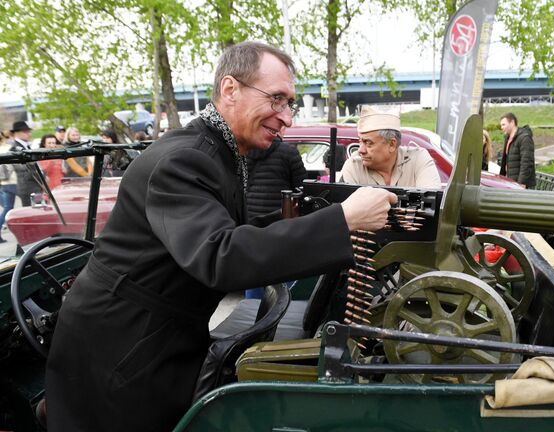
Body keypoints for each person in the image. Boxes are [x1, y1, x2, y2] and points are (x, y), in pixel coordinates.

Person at [45, 41, 396, 432]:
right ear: (230, 90)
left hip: (156, 338)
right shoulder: (185, 158)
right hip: (123, 350)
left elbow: (231, 233)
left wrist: (327, 217)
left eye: (290, 104)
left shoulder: (222, 153)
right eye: (276, 99)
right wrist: (342, 220)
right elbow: (220, 256)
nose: (287, 118)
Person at [244, 137, 307, 299]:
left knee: (255, 273)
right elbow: (302, 188)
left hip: (252, 220)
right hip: (281, 221)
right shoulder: (289, 152)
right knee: (285, 272)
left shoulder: (245, 152)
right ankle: (284, 310)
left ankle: (252, 314)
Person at [340, 106, 441, 188]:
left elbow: (431, 205)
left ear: (392, 144)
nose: (360, 150)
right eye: (360, 141)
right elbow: (349, 210)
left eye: (368, 143)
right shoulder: (354, 165)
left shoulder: (418, 158)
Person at [8, 121, 42, 206]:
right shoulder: (15, 149)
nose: (28, 133)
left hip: (35, 185)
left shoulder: (26, 146)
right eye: (25, 131)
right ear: (16, 133)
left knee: (39, 210)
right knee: (31, 213)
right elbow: (23, 168)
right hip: (28, 187)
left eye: (28, 131)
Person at [498, 113, 536, 189]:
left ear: (512, 122)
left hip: (522, 186)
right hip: (511, 183)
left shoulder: (524, 138)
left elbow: (526, 162)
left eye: (503, 124)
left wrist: (521, 184)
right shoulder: (507, 138)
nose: (501, 127)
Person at [0, 137, 16, 242]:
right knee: (8, 208)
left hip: (3, 182)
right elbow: (11, 166)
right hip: (11, 181)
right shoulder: (7, 148)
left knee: (7, 207)